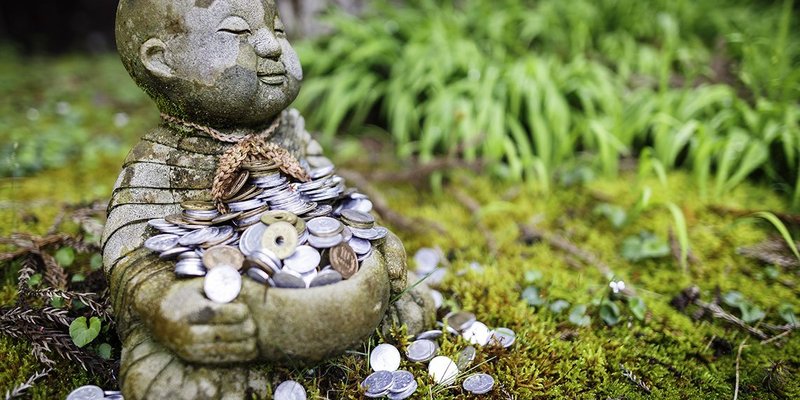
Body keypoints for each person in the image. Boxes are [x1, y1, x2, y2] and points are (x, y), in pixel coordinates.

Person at [104, 1, 433, 398]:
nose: (272, 46)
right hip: (236, 310)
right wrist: (165, 300)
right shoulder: (162, 157)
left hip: (318, 289)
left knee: (407, 300)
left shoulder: (290, 132)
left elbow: (336, 204)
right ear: (162, 60)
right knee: (167, 378)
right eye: (236, 32)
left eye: (277, 29)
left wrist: (378, 240)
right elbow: (128, 248)